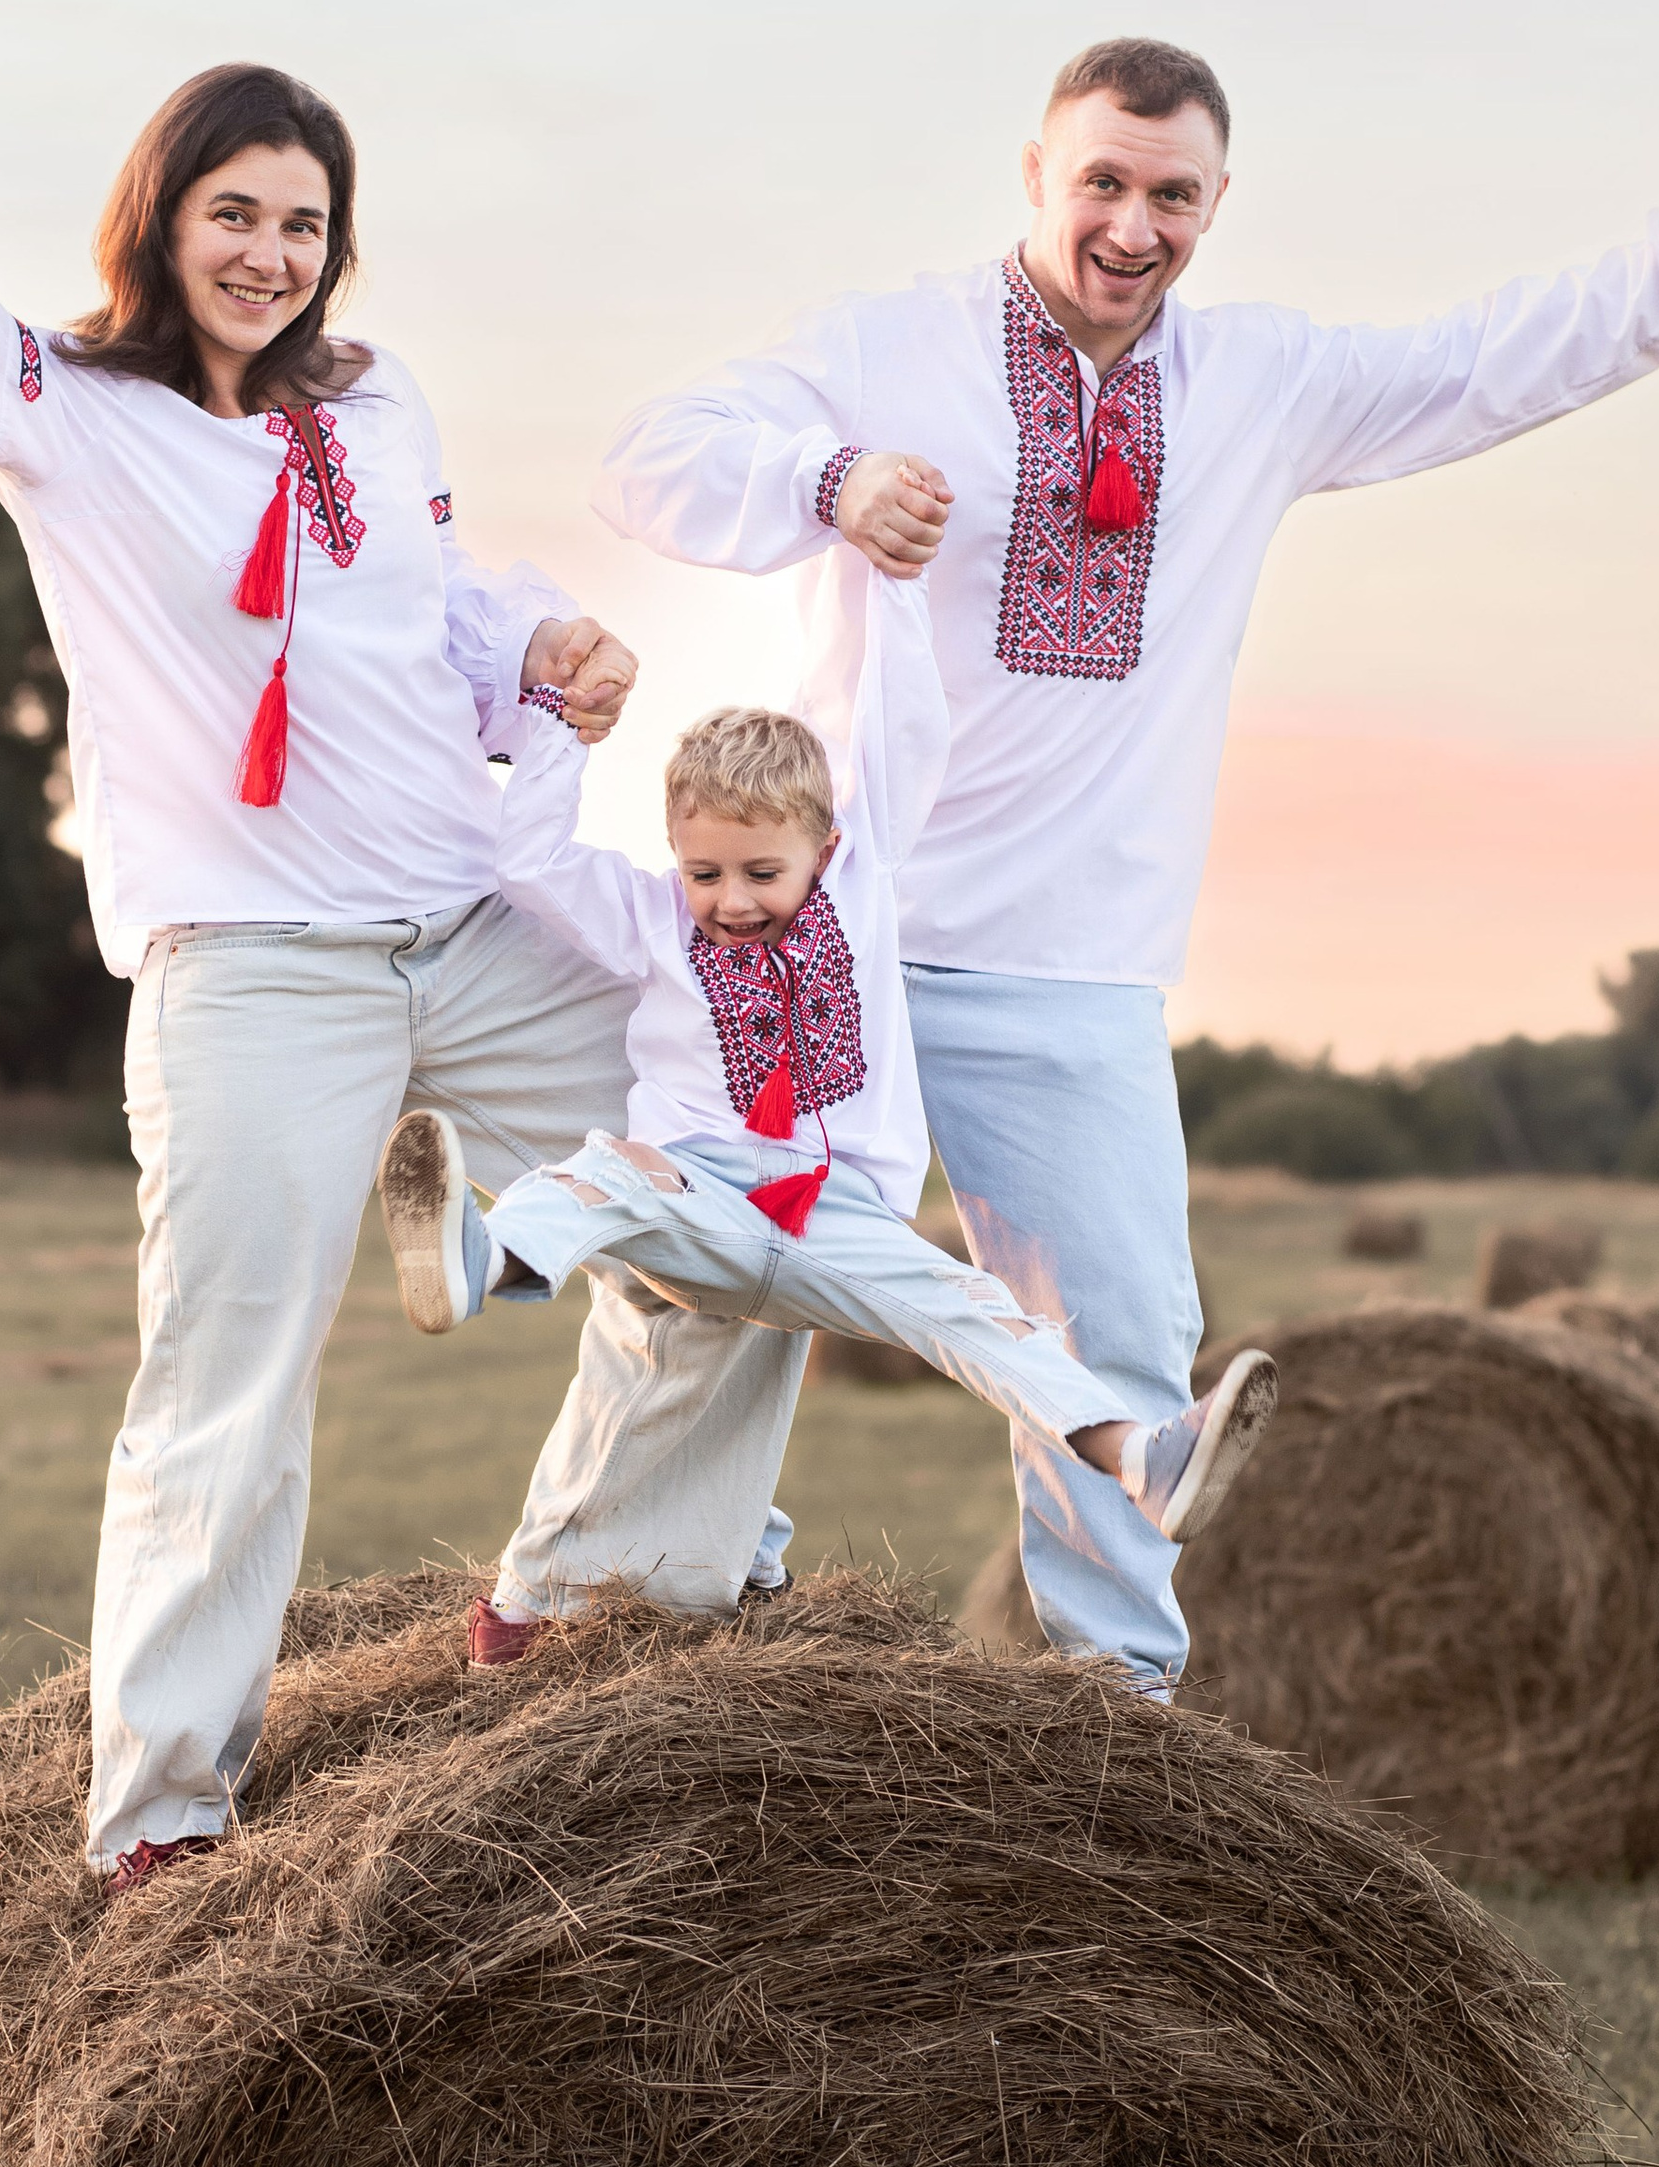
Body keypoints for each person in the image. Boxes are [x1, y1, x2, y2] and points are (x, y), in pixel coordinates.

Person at [0, 0, 803, 1885]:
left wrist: (542, 643)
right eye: (233, 210)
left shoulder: (370, 403)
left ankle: (589, 1587)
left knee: (743, 1193)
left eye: (302, 221)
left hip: (468, 924)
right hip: (259, 970)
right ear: (162, 218)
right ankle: (161, 1828)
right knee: (222, 1396)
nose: (269, 252)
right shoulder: (69, 413)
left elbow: (431, 606)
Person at [576, 36, 1659, 1686]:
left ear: (1218, 203)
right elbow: (650, 456)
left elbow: (1484, 364)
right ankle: (624, 1624)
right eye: (1104, 180)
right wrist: (827, 479)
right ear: (1038, 173)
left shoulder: (1262, 383)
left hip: (1078, 961)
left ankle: (1115, 1724)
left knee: (1127, 1350)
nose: (1133, 223)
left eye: (1173, 195)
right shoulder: (891, 348)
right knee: (718, 1276)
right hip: (836, 934)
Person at [381, 562, 1279, 1566]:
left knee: (984, 1316)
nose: (729, 900)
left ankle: (1140, 1457)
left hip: (842, 1217)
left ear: (826, 846)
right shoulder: (651, 917)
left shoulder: (864, 886)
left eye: (762, 873)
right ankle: (484, 1260)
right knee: (605, 1168)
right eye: (703, 871)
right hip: (705, 1194)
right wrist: (551, 725)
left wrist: (892, 582)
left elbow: (897, 727)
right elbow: (534, 863)